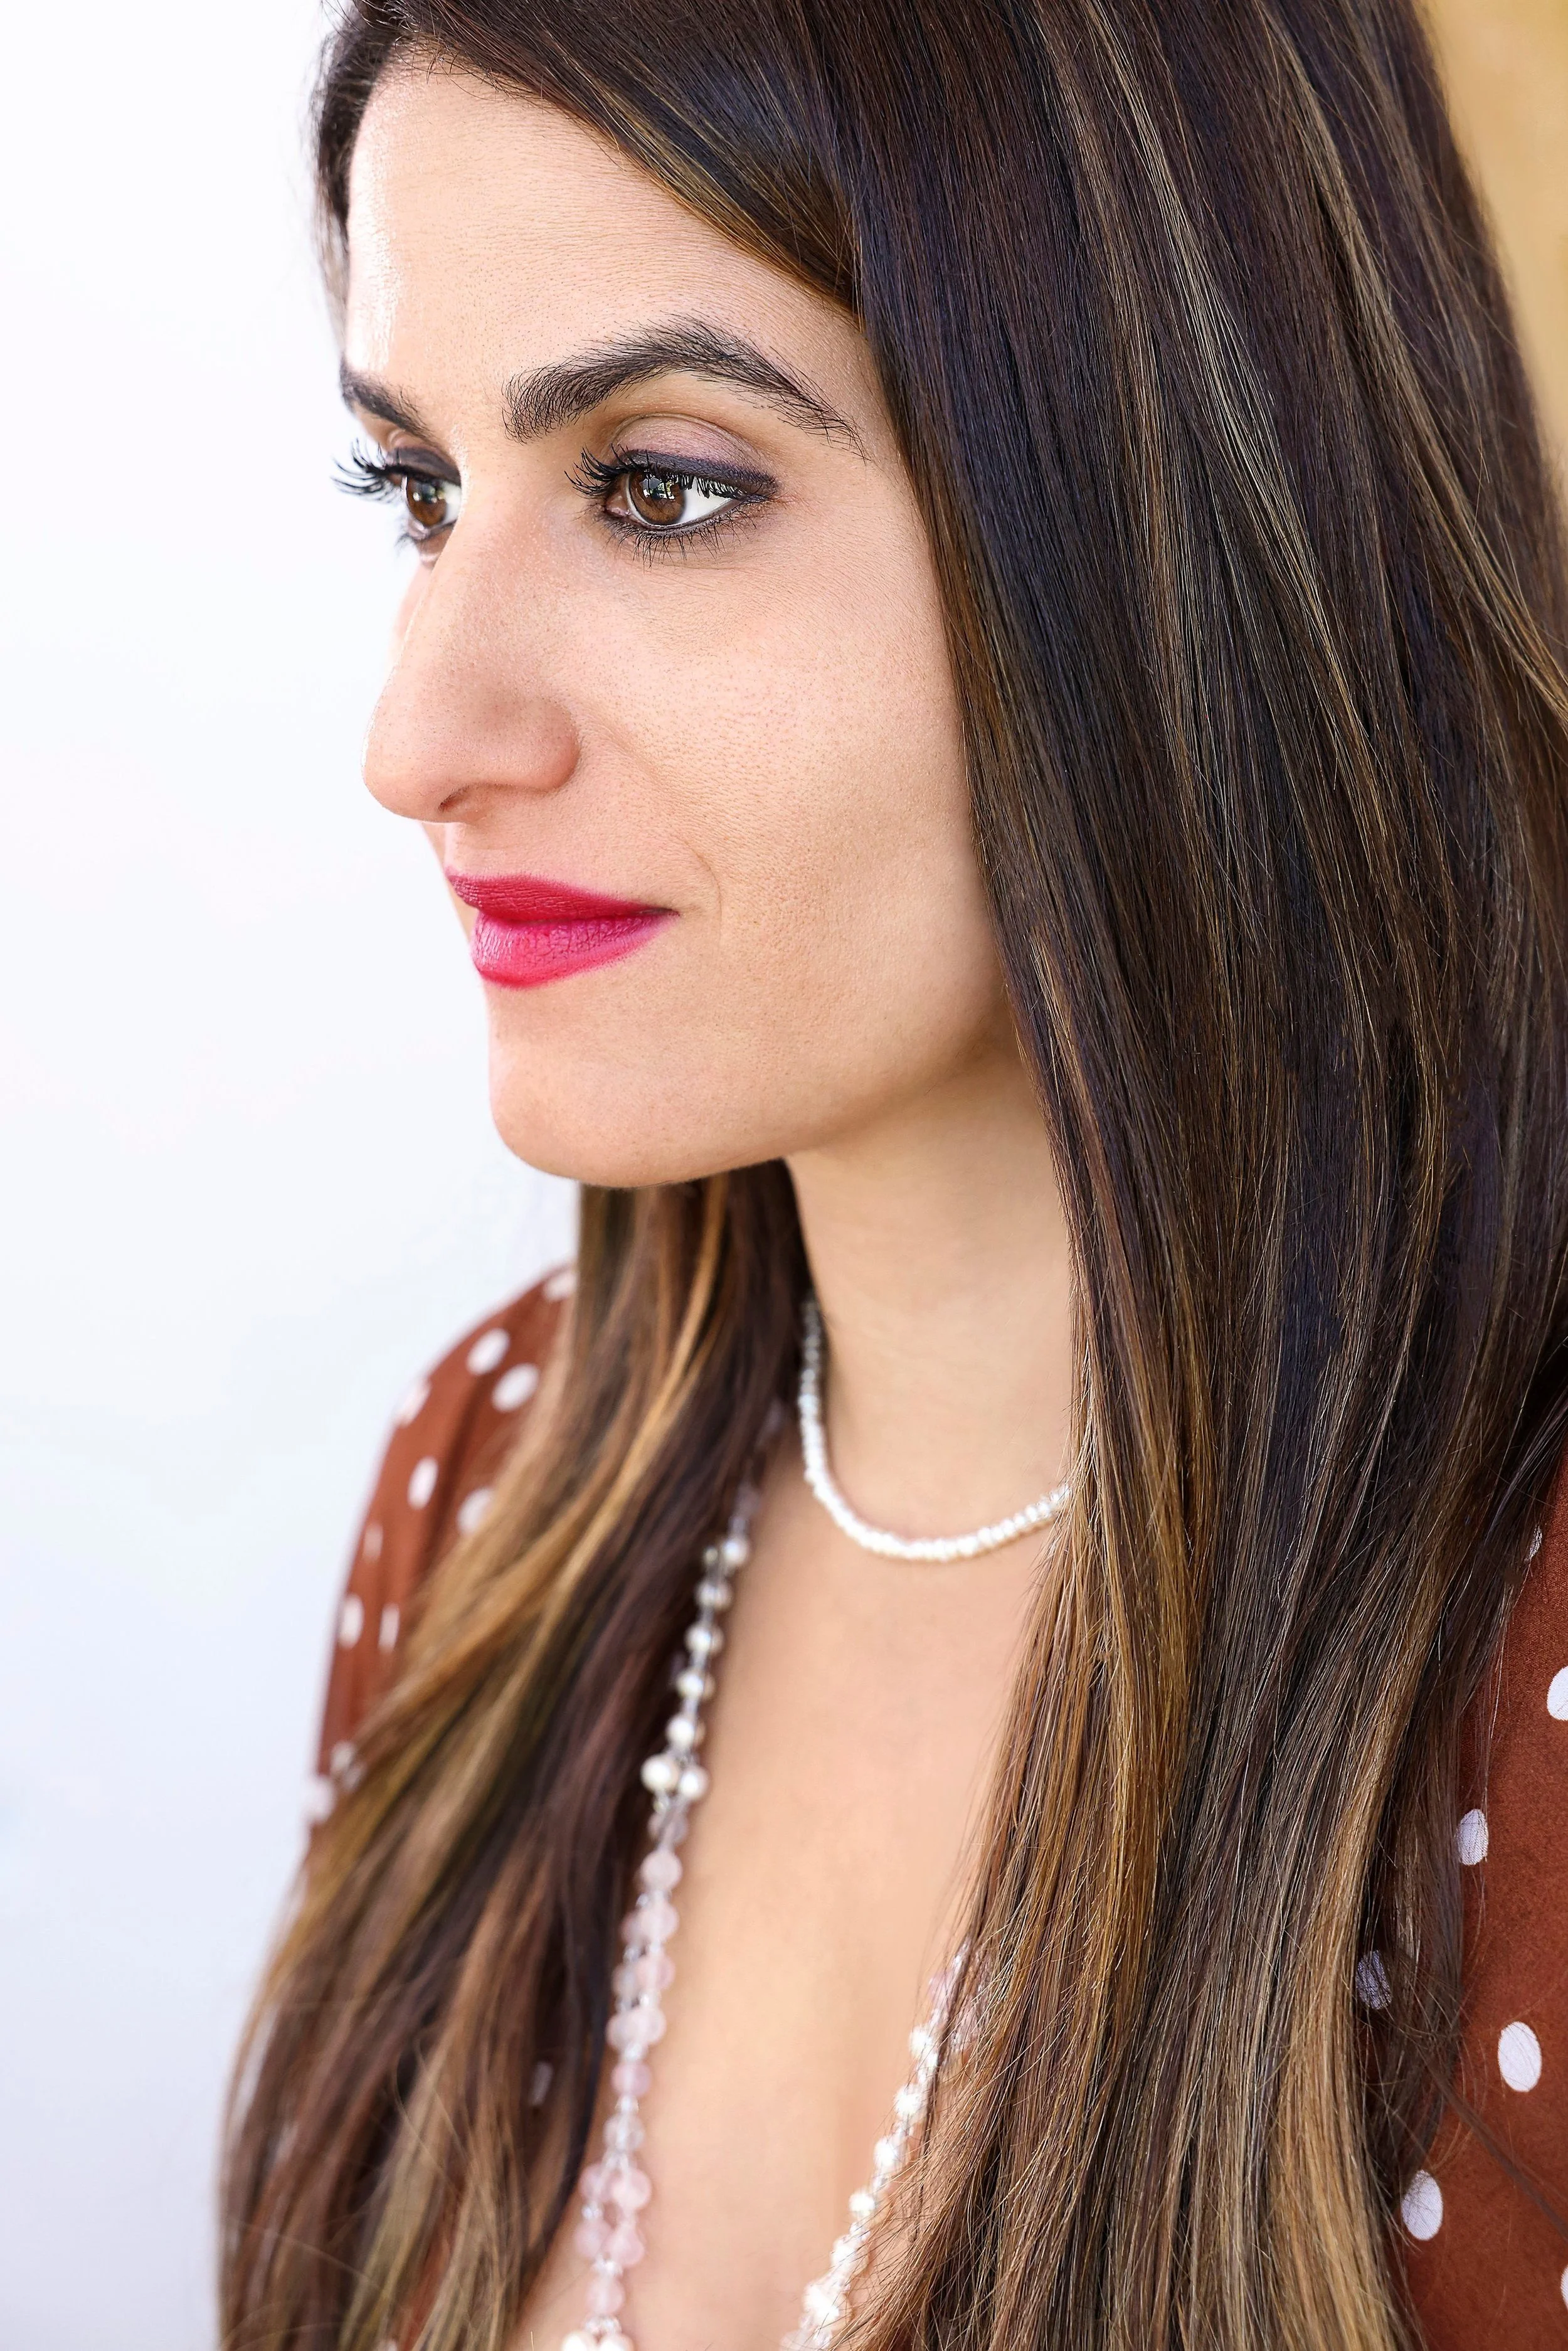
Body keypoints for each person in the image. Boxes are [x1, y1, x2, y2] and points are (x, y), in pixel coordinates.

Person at [221, 3, 1568, 2347]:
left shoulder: (1522, 1678)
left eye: (657, 484)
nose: (421, 734)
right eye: (418, 490)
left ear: (1174, 495)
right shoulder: (488, 1480)